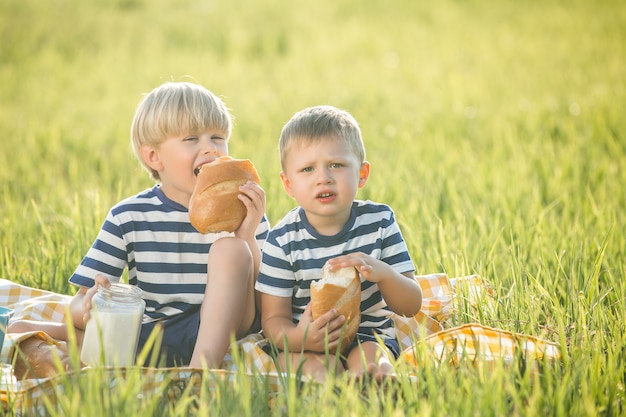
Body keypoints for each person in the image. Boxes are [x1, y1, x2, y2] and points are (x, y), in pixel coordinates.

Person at [11, 82, 268, 369]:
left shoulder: (242, 209)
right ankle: (47, 349)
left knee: (230, 250)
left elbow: (267, 299)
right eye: (192, 139)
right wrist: (88, 307)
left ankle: (199, 374)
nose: (210, 148)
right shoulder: (129, 215)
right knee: (47, 331)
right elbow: (79, 303)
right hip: (150, 333)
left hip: (224, 330)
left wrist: (246, 236)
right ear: (154, 157)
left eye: (218, 137)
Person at [255, 105, 423, 383]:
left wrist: (383, 273)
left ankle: (376, 381)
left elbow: (410, 305)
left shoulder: (379, 222)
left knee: (371, 360)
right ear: (288, 184)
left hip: (366, 334)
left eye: (337, 165)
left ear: (362, 173)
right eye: (307, 169)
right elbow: (273, 321)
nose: (323, 177)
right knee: (311, 368)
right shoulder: (282, 239)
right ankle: (328, 388)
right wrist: (302, 338)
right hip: (303, 340)